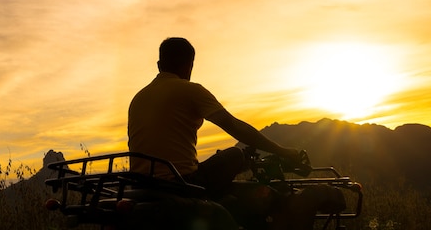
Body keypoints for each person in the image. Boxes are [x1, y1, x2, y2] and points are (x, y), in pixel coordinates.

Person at [128, 37, 304, 193]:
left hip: (140, 185)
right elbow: (235, 127)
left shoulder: (138, 98)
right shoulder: (190, 90)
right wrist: (284, 151)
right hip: (181, 183)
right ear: (189, 65)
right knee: (236, 155)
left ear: (159, 65)